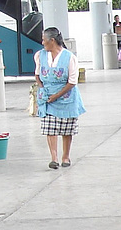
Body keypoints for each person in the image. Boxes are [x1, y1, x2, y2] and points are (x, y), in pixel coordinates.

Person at [35, 27, 86, 169]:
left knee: (66, 128)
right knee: (50, 127)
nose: (42, 42)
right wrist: (42, 89)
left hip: (66, 97)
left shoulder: (70, 57)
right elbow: (38, 75)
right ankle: (54, 158)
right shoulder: (40, 55)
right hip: (47, 96)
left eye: (44, 40)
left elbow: (72, 82)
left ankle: (66, 156)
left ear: (52, 40)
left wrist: (57, 95)